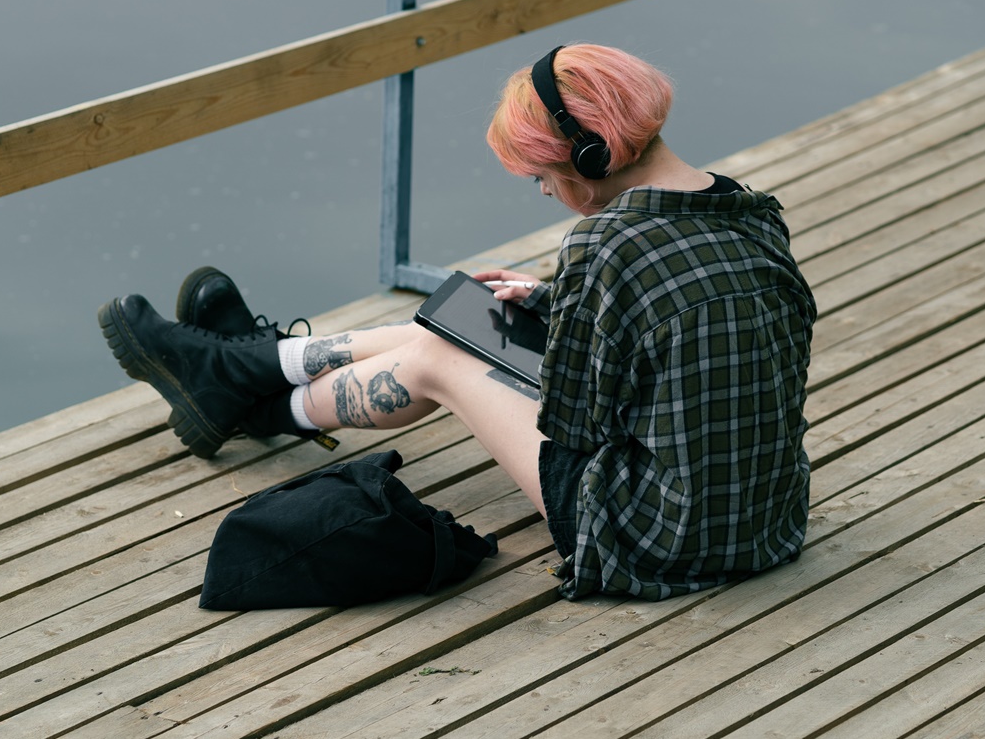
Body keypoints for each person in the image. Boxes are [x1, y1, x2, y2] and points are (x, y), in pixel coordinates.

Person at [98, 43, 815, 600]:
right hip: (764, 518)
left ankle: (248, 390)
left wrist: (545, 327)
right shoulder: (751, 212)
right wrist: (554, 304)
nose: (545, 193)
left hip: (655, 536)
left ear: (589, 157)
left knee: (443, 357)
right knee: (473, 321)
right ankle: (249, 375)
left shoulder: (610, 245)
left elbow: (582, 426)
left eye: (542, 177)